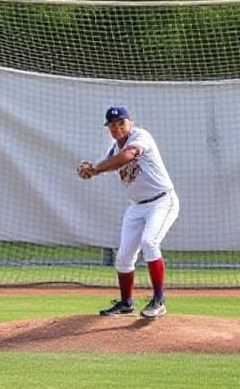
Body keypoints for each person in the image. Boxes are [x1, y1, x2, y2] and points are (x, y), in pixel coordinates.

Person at [77, 105, 179, 319]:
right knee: (123, 258)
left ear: (130, 123)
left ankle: (159, 301)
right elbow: (110, 162)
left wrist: (95, 169)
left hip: (162, 200)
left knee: (150, 242)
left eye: (121, 123)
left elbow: (128, 155)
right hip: (136, 207)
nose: (117, 128)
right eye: (112, 125)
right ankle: (126, 304)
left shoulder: (141, 136)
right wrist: (91, 170)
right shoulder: (112, 151)